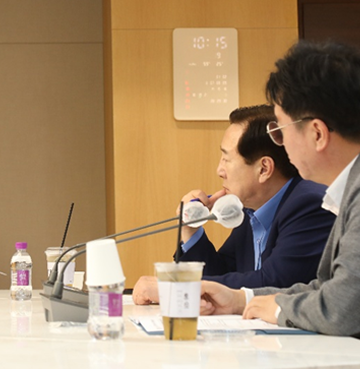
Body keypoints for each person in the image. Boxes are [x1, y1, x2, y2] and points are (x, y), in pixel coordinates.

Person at [199, 41, 360, 369]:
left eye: (280, 130)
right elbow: (328, 288)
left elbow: (344, 309)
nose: (280, 144)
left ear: (317, 133)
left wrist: (277, 307)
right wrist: (241, 299)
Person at [133, 105, 335, 305]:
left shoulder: (310, 205)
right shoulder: (250, 209)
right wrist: (190, 229)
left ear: (264, 169)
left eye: (226, 159)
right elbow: (222, 276)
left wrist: (178, 287)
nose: (219, 170)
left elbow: (275, 282)